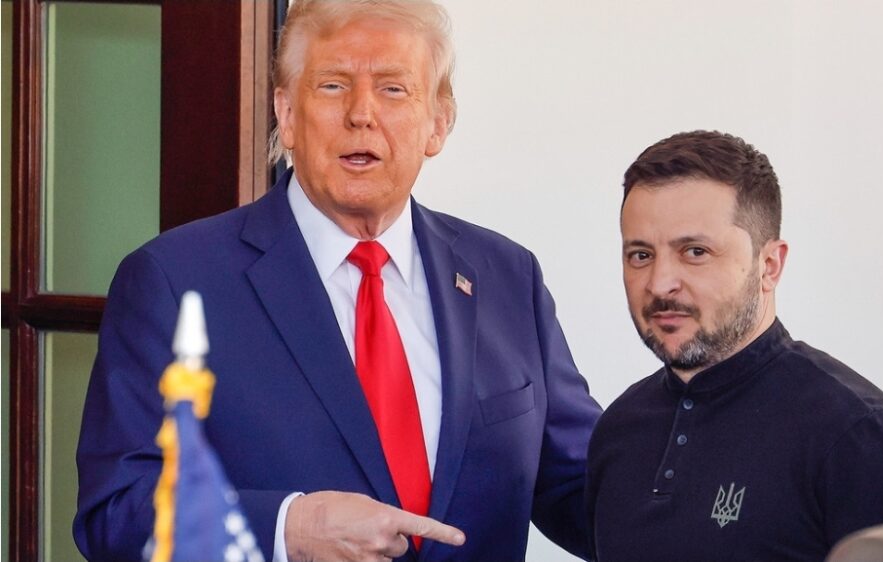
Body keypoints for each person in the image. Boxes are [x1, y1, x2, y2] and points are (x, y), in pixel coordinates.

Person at [73, 1, 602, 561]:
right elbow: (117, 513)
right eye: (332, 85)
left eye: (393, 89)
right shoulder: (173, 281)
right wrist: (289, 529)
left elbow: (584, 488)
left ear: (438, 123)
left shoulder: (507, 276)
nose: (361, 114)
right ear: (286, 114)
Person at [585, 130, 883, 561]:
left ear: (770, 265)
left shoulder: (858, 435)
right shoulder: (618, 430)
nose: (660, 283)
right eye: (641, 255)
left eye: (695, 252)